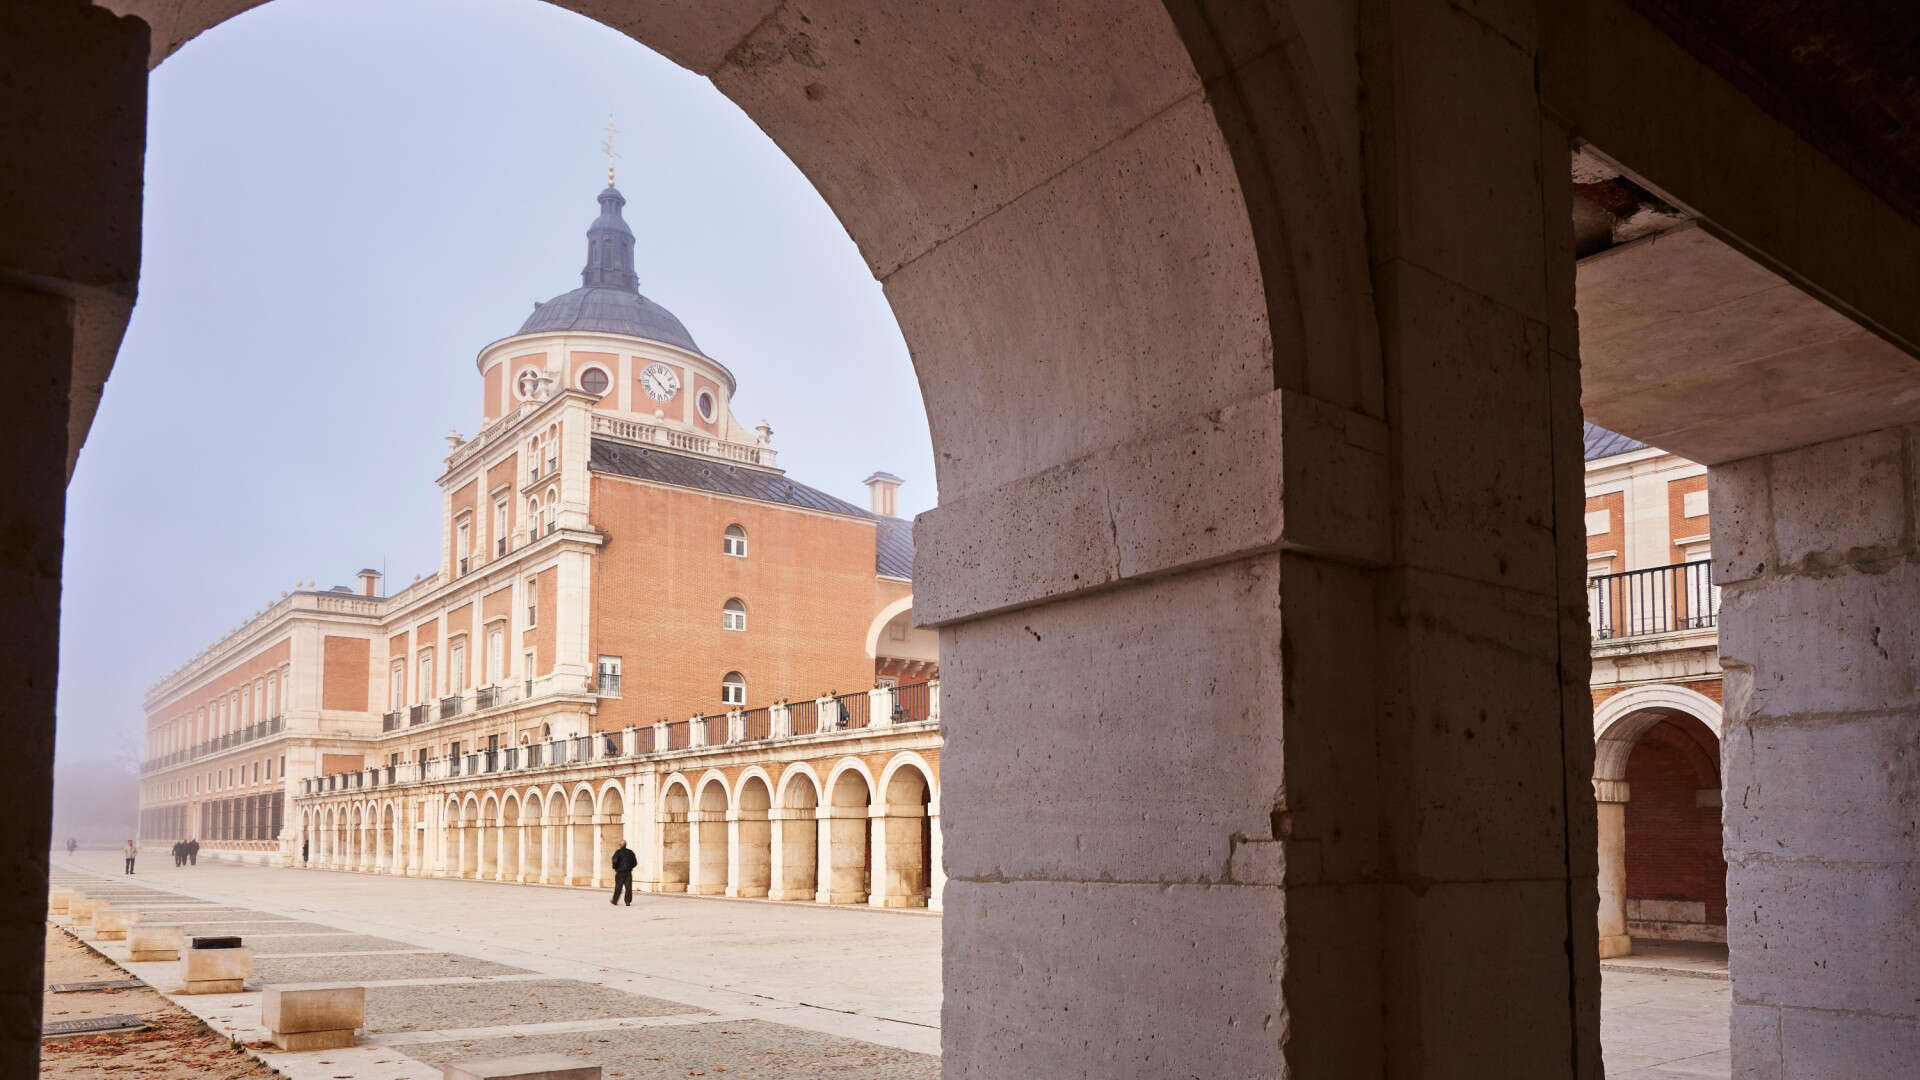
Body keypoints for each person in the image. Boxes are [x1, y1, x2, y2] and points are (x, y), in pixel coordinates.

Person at [609, 840, 637, 906]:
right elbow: (635, 863)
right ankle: (627, 901)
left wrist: (615, 868)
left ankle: (614, 901)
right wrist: (630, 867)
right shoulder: (630, 852)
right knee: (628, 887)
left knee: (618, 887)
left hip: (620, 872)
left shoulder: (618, 852)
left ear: (620, 845)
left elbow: (614, 861)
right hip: (628, 872)